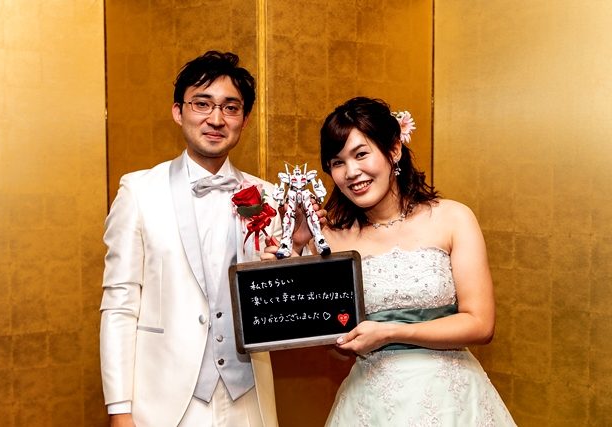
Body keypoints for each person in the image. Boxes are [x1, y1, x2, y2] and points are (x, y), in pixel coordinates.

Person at [264, 97, 517, 425]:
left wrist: (390, 332)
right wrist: (295, 251)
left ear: (394, 150)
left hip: (452, 402)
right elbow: (334, 347)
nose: (351, 172)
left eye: (361, 154)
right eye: (338, 162)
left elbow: (481, 324)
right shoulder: (330, 239)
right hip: (372, 405)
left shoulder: (453, 218)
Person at [100, 51, 286, 427]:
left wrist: (293, 256)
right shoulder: (139, 191)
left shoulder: (269, 196)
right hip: (165, 401)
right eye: (202, 104)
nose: (216, 119)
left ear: (244, 119)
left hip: (248, 397)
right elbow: (119, 304)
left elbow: (282, 299)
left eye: (230, 108)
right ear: (178, 111)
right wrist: (119, 408)